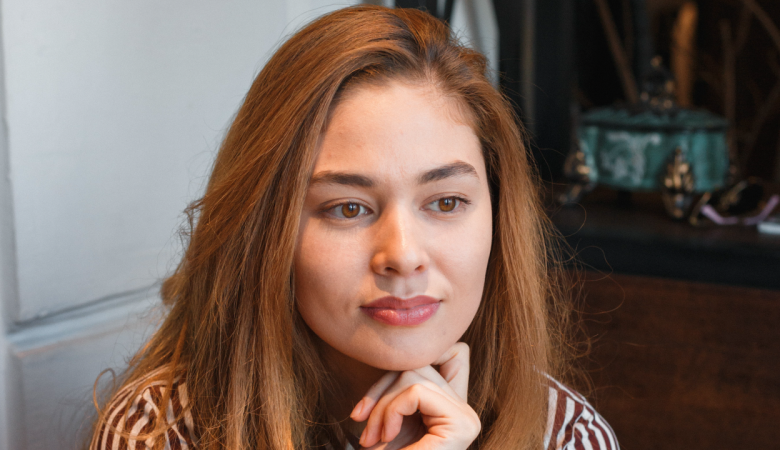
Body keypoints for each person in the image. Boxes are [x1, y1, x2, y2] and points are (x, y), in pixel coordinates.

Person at [89, 5, 618, 450]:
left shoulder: (566, 437)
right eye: (348, 208)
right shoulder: (163, 431)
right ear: (266, 232)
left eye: (446, 202)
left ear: (498, 218)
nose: (403, 255)